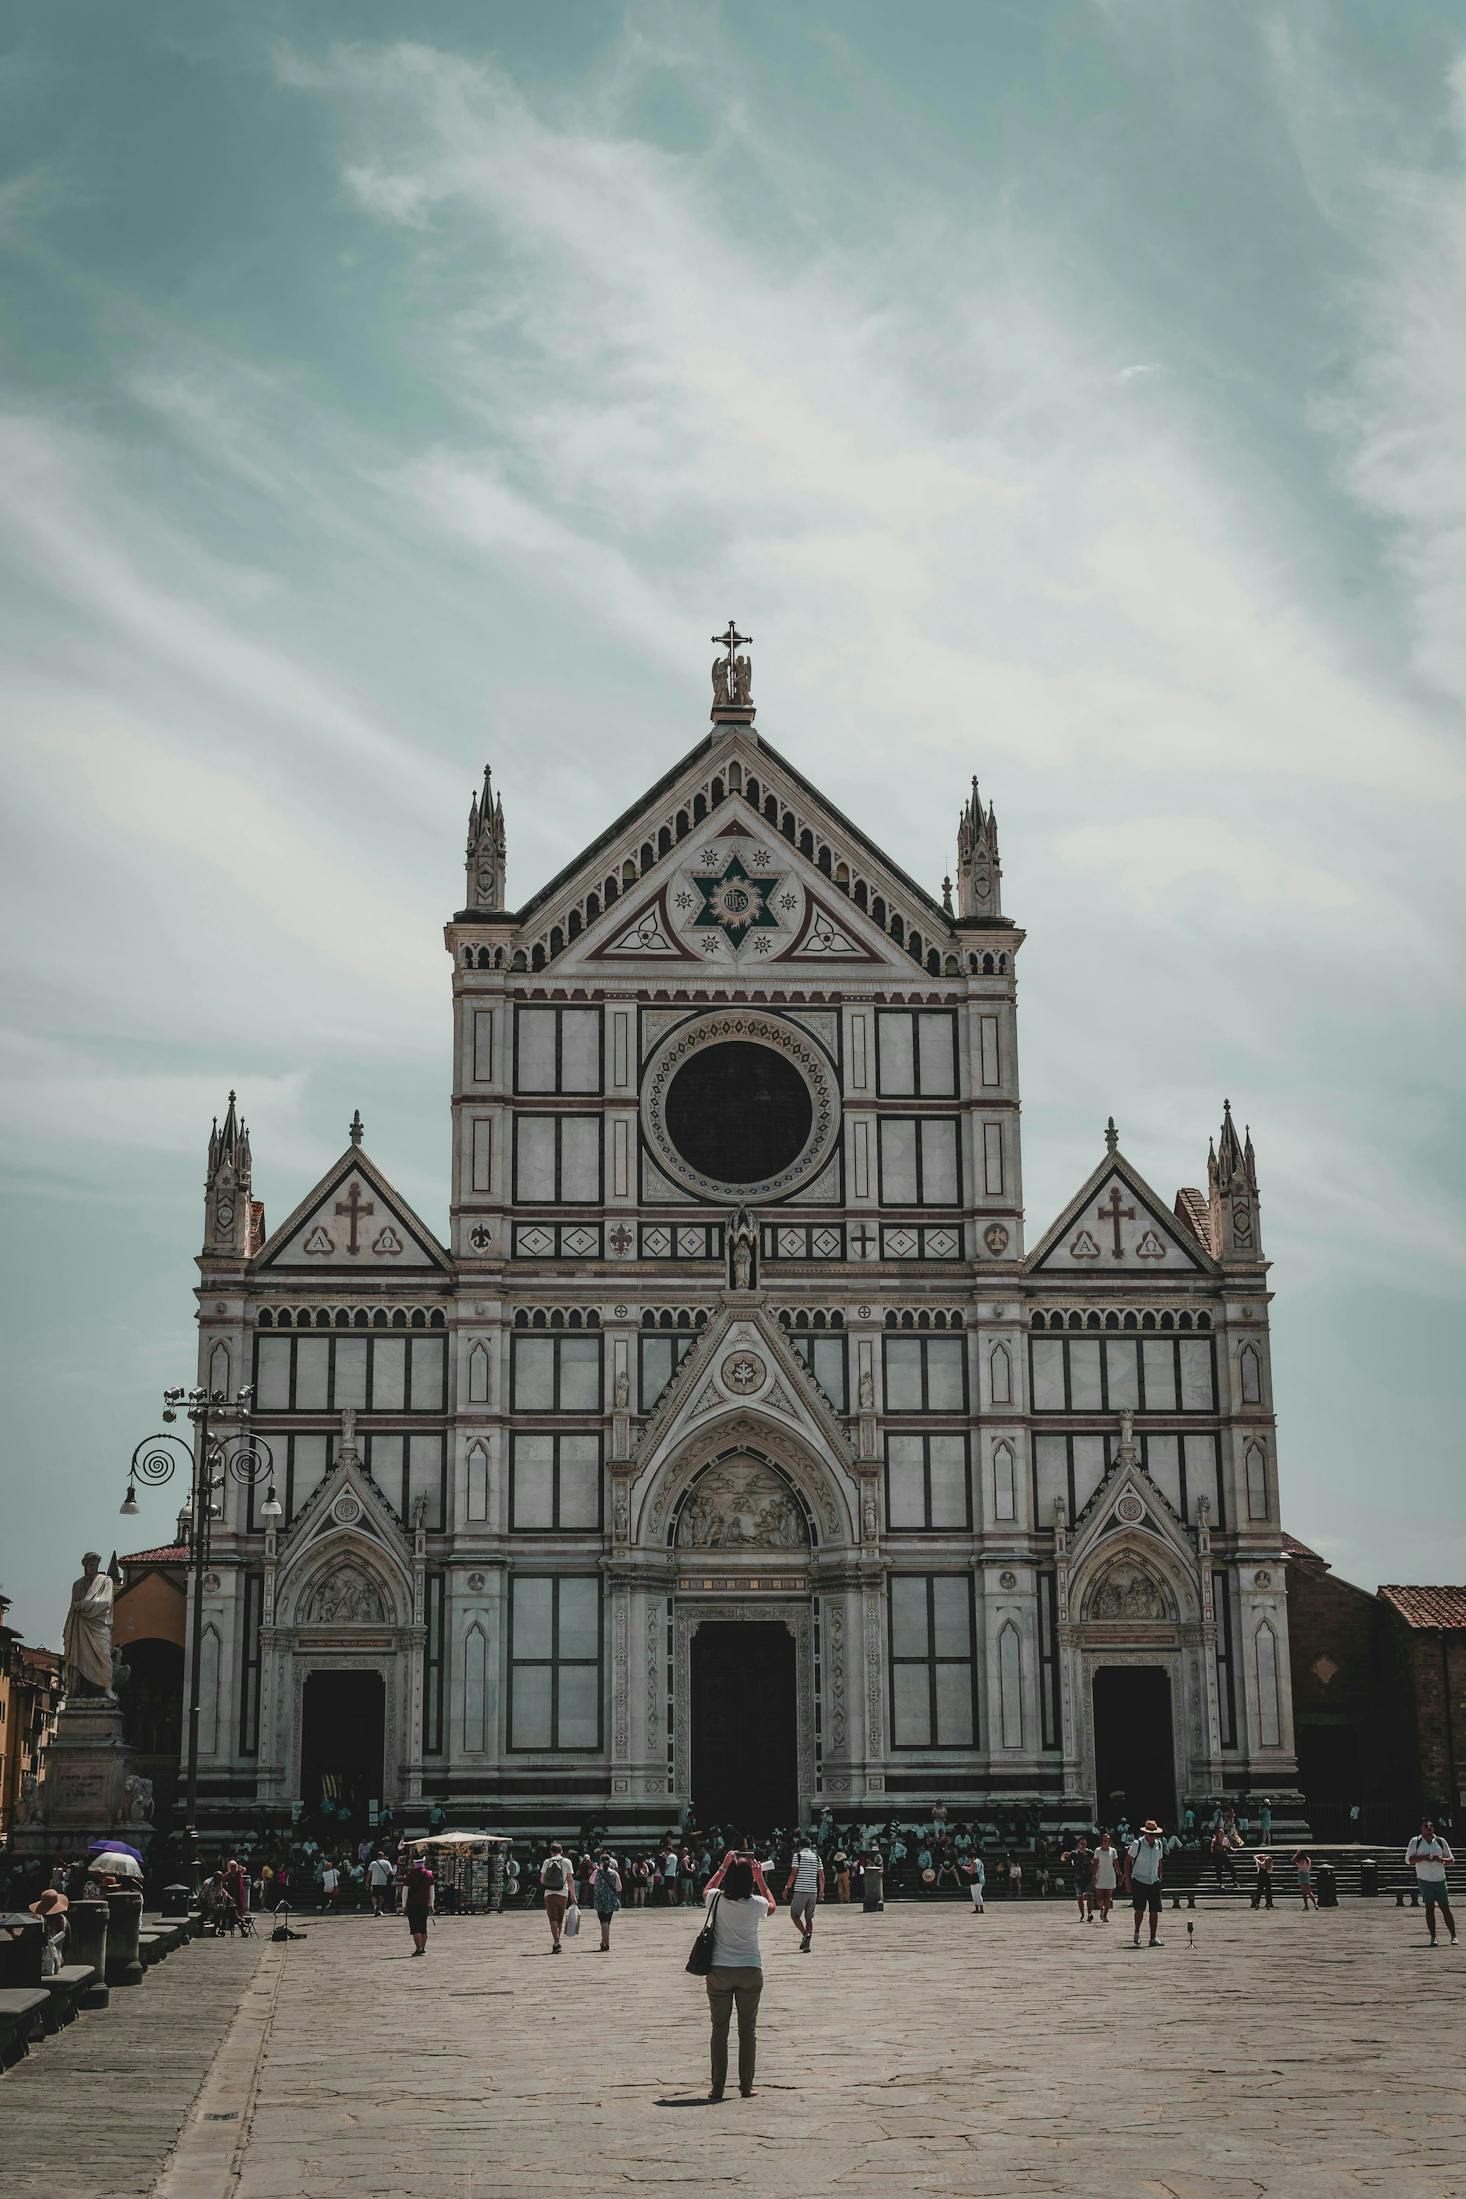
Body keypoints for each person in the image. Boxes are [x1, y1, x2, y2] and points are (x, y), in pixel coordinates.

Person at [700, 1858, 775, 2102]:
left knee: (719, 2030)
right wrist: (760, 1878)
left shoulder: (716, 1898)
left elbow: (706, 1890)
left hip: (720, 1970)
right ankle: (746, 2085)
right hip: (750, 1969)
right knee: (747, 2030)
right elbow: (772, 1906)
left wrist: (722, 1867)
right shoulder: (756, 1904)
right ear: (749, 1880)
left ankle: (717, 2087)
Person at [1405, 1821, 1457, 1947]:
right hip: (1424, 1879)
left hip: (1439, 1878)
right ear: (1421, 1828)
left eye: (1431, 1826)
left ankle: (1453, 1935)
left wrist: (1441, 1860)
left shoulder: (1440, 1841)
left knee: (1445, 1907)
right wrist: (1424, 1857)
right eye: (1426, 1826)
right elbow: (1408, 1860)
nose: (1429, 1828)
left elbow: (1451, 1860)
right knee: (1429, 1908)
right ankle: (1433, 1937)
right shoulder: (1415, 1841)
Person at [1125, 1819, 1165, 1948]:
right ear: (1145, 1833)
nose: (1153, 1836)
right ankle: (1137, 1932)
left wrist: (1160, 1877)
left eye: (1154, 1834)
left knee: (1155, 1910)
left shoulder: (1159, 1844)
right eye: (1150, 1834)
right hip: (1139, 1880)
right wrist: (1127, 1882)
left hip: (1154, 1880)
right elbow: (1127, 1861)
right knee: (1139, 1909)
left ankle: (1153, 1937)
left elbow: (1159, 1862)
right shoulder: (1138, 1844)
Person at [782, 1838, 824, 1953]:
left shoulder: (798, 1856)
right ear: (810, 1846)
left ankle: (805, 1935)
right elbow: (821, 1876)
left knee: (794, 1915)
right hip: (813, 1891)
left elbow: (793, 1873)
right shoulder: (817, 1857)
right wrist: (821, 1892)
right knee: (809, 1918)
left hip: (801, 1890)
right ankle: (807, 1946)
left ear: (800, 1846)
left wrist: (787, 1888)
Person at [540, 1843, 574, 1951]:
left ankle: (556, 1941)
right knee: (560, 1919)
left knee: (552, 1919)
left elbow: (542, 1880)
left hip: (549, 1893)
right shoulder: (567, 1861)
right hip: (563, 1893)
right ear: (562, 1851)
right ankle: (558, 1941)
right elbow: (570, 1880)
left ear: (551, 1852)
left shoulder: (547, 1862)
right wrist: (573, 1896)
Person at [30, 1887, 68, 1975]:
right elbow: (67, 1944)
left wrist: (12, 1931)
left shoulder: (38, 1920)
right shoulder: (64, 1921)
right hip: (57, 1962)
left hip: (38, 1964)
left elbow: (23, 1938)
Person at [589, 1852, 622, 1952]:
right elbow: (619, 1888)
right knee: (607, 1922)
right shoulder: (614, 1873)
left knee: (603, 1922)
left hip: (600, 1899)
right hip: (611, 1899)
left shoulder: (597, 1872)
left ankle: (605, 1943)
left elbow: (591, 1881)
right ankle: (603, 1942)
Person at [404, 1856, 434, 1955]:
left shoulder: (410, 1875)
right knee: (423, 1927)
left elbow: (405, 1892)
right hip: (424, 1904)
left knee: (414, 1927)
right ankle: (423, 1948)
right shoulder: (429, 1875)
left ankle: (418, 1948)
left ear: (414, 1863)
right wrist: (431, 1905)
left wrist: (404, 1905)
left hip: (412, 1904)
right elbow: (431, 1892)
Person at [1061, 1836, 1095, 1922]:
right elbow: (1063, 1859)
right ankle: (1082, 1915)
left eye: (1085, 1844)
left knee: (1089, 1896)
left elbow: (1095, 1862)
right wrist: (1064, 1855)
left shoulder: (1090, 1852)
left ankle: (1090, 1913)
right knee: (1080, 1898)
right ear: (1078, 1844)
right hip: (1078, 1878)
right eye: (1082, 1844)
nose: (1083, 1846)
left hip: (1088, 1877)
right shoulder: (1074, 1853)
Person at [1092, 1833, 1117, 1922]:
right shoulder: (1097, 1850)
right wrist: (1094, 1875)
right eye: (1104, 1840)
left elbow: (1116, 1863)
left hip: (1110, 1875)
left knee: (1108, 1897)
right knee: (1099, 1897)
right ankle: (1101, 1909)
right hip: (1100, 1875)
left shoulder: (1113, 1851)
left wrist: (1120, 1873)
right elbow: (1095, 1863)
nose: (1106, 1842)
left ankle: (1105, 1914)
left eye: (1108, 1840)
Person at [367, 1850, 395, 1917]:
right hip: (383, 1882)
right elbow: (390, 1872)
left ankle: (375, 1906)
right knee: (381, 1896)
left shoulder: (373, 1863)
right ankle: (379, 1909)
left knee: (374, 1895)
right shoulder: (387, 1862)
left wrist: (367, 1882)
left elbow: (369, 1874)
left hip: (374, 1882)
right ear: (383, 1856)